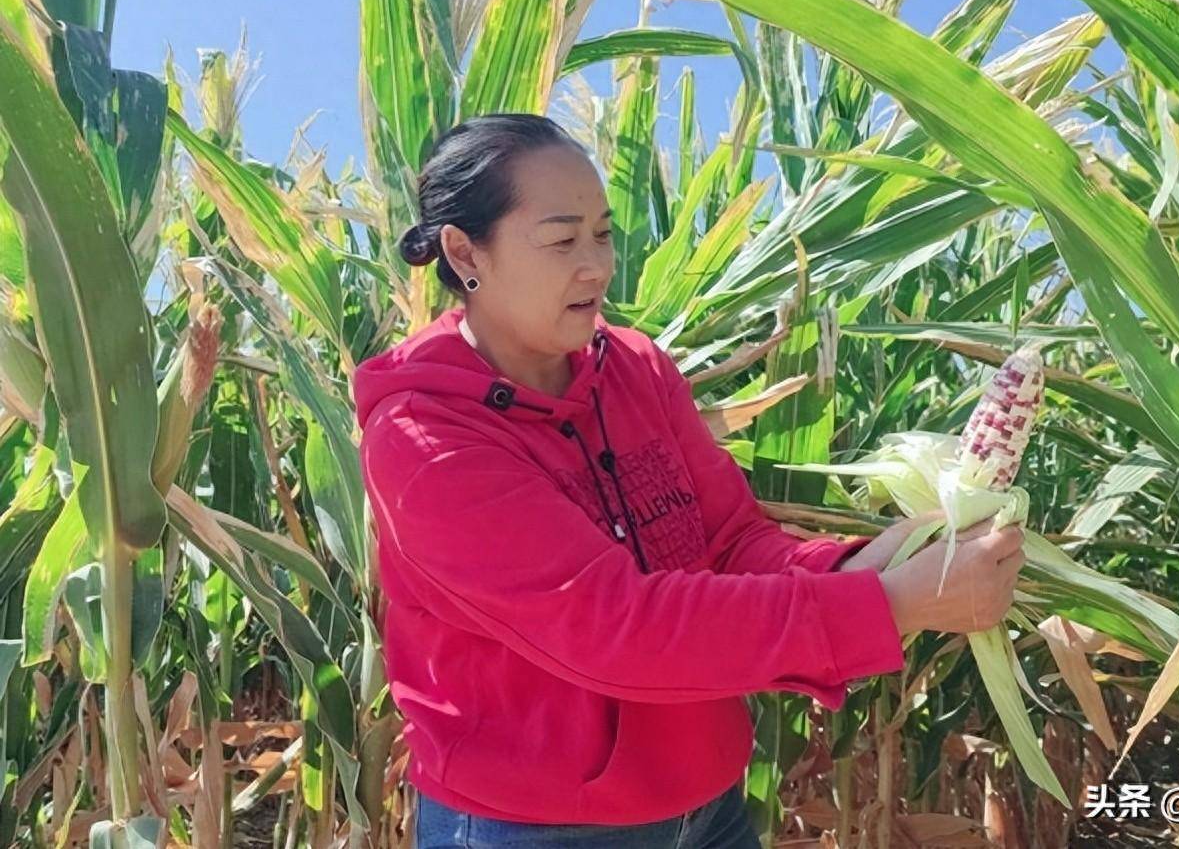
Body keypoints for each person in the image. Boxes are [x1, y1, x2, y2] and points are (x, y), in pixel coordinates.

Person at [352, 114, 1026, 848]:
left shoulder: (635, 367)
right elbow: (615, 628)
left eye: (604, 234)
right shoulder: (425, 441)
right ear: (463, 250)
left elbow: (731, 539)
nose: (597, 265)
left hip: (708, 807)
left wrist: (858, 565)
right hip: (537, 828)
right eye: (561, 239)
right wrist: (888, 605)